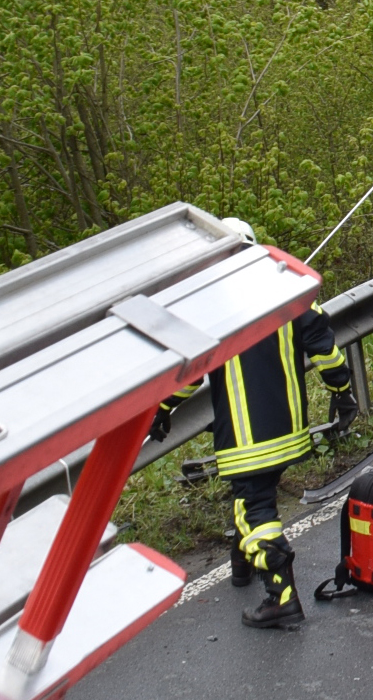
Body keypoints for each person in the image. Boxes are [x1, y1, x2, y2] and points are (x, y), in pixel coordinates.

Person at [150, 218, 355, 630]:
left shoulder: (208, 303)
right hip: (290, 427)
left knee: (253, 506)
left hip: (247, 437)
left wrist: (162, 409)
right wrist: (342, 391)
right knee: (254, 495)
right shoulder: (287, 284)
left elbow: (189, 374)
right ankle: (242, 563)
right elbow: (324, 346)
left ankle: (281, 597)